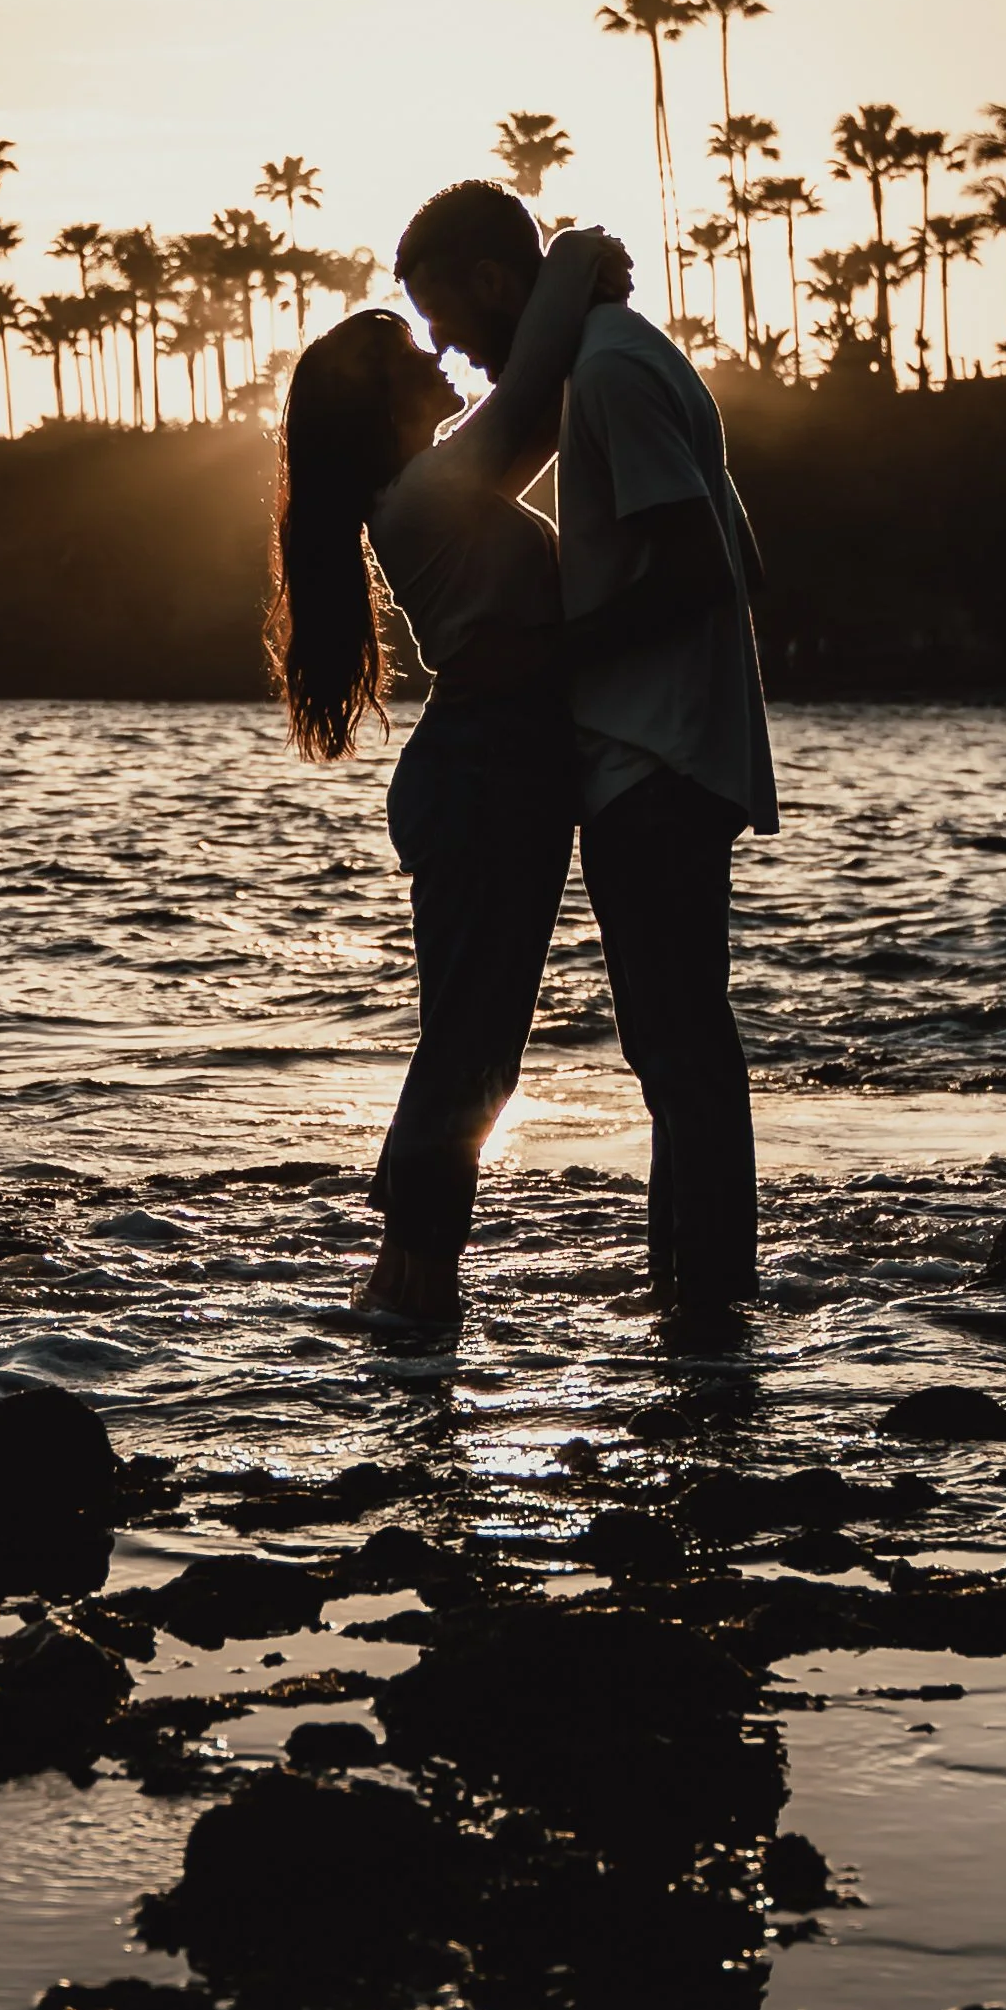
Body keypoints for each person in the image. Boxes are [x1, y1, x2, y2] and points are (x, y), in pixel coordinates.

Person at [394, 179, 775, 1331]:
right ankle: (693, 1310)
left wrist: (550, 659)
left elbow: (703, 567)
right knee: (676, 1047)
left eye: (445, 317)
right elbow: (739, 553)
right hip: (660, 749)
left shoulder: (608, 373)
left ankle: (706, 1307)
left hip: (649, 756)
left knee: (680, 1051)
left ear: (495, 284)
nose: (445, 348)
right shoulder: (615, 363)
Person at [267, 218, 632, 1328]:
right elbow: (528, 401)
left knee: (474, 1044)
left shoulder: (435, 481)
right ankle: (413, 1274)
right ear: (377, 407)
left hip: (490, 773)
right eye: (403, 351)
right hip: (483, 777)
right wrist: (576, 254)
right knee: (473, 1047)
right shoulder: (428, 492)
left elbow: (543, 398)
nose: (433, 350)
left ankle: (410, 1274)